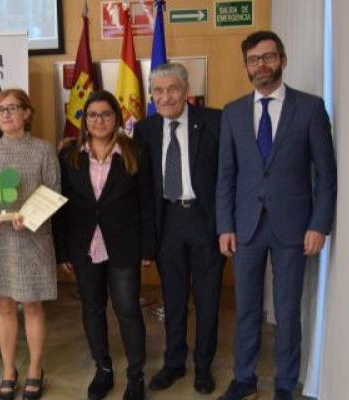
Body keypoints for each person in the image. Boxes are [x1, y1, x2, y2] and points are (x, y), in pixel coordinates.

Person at [215, 31, 337, 400]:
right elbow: (226, 175)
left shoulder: (311, 108)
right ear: (246, 67)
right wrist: (225, 226)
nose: (261, 65)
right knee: (247, 309)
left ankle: (286, 383)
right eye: (254, 59)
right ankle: (245, 379)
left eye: (268, 57)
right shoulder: (233, 112)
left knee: (287, 310)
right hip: (247, 227)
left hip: (294, 228)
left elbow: (327, 175)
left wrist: (319, 224)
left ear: (283, 60)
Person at [132, 63, 226, 396]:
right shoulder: (144, 130)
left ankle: (203, 366)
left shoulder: (214, 121)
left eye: (172, 89)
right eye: (158, 91)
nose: (165, 96)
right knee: (172, 300)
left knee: (207, 298)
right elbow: (142, 188)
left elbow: (228, 175)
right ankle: (174, 362)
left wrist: (226, 225)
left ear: (187, 90)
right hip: (166, 222)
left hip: (205, 220)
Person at [55, 90, 154, 400]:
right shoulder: (70, 156)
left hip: (123, 245)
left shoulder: (134, 152)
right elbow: (61, 207)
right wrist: (63, 251)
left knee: (127, 310)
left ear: (117, 118)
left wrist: (148, 248)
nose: (99, 120)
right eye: (92, 115)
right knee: (92, 308)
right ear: (85, 120)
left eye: (106, 114)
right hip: (84, 246)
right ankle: (104, 369)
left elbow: (146, 202)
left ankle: (135, 376)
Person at [0, 89, 59, 400]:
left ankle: (35, 368)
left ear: (27, 113)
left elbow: (53, 193)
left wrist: (30, 216)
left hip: (31, 237)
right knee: (5, 305)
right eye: (1, 110)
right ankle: (9, 370)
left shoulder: (43, 150)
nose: (7, 114)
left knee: (32, 305)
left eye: (13, 108)